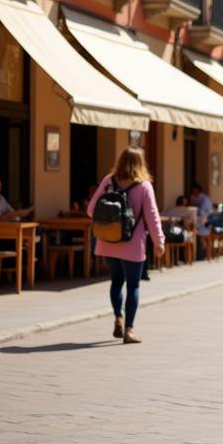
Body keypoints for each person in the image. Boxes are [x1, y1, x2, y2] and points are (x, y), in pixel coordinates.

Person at [87, 147, 164, 344]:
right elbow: (152, 217)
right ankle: (129, 330)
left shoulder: (108, 181)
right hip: (132, 244)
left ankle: (117, 318)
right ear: (141, 163)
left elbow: (90, 210)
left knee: (116, 282)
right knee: (133, 286)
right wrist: (159, 241)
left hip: (109, 242)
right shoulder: (144, 186)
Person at [188, 182, 213, 260]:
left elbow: (202, 212)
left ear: (199, 191)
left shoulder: (205, 199)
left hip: (206, 222)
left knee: (197, 232)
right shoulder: (192, 197)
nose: (194, 193)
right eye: (193, 191)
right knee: (192, 230)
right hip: (197, 220)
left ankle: (200, 254)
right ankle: (194, 254)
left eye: (196, 191)